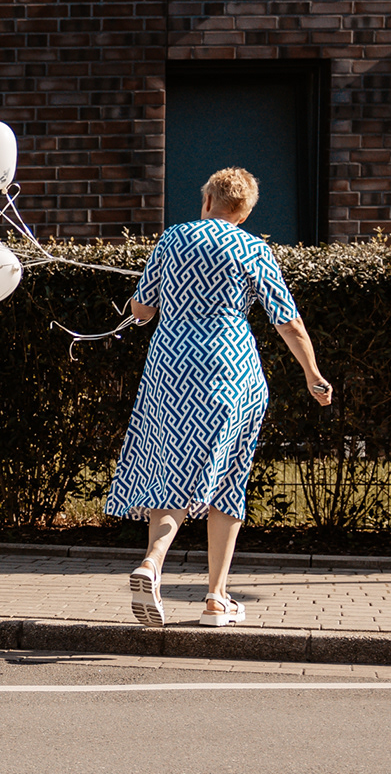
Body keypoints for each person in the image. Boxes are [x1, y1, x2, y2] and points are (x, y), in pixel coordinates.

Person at [108, 167, 331, 627]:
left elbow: (143, 311)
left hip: (169, 370)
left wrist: (153, 297)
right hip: (231, 372)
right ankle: (216, 597)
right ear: (244, 212)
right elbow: (286, 320)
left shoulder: (172, 239)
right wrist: (312, 373)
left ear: (207, 200)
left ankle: (152, 562)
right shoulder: (254, 249)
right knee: (226, 478)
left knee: (168, 469)